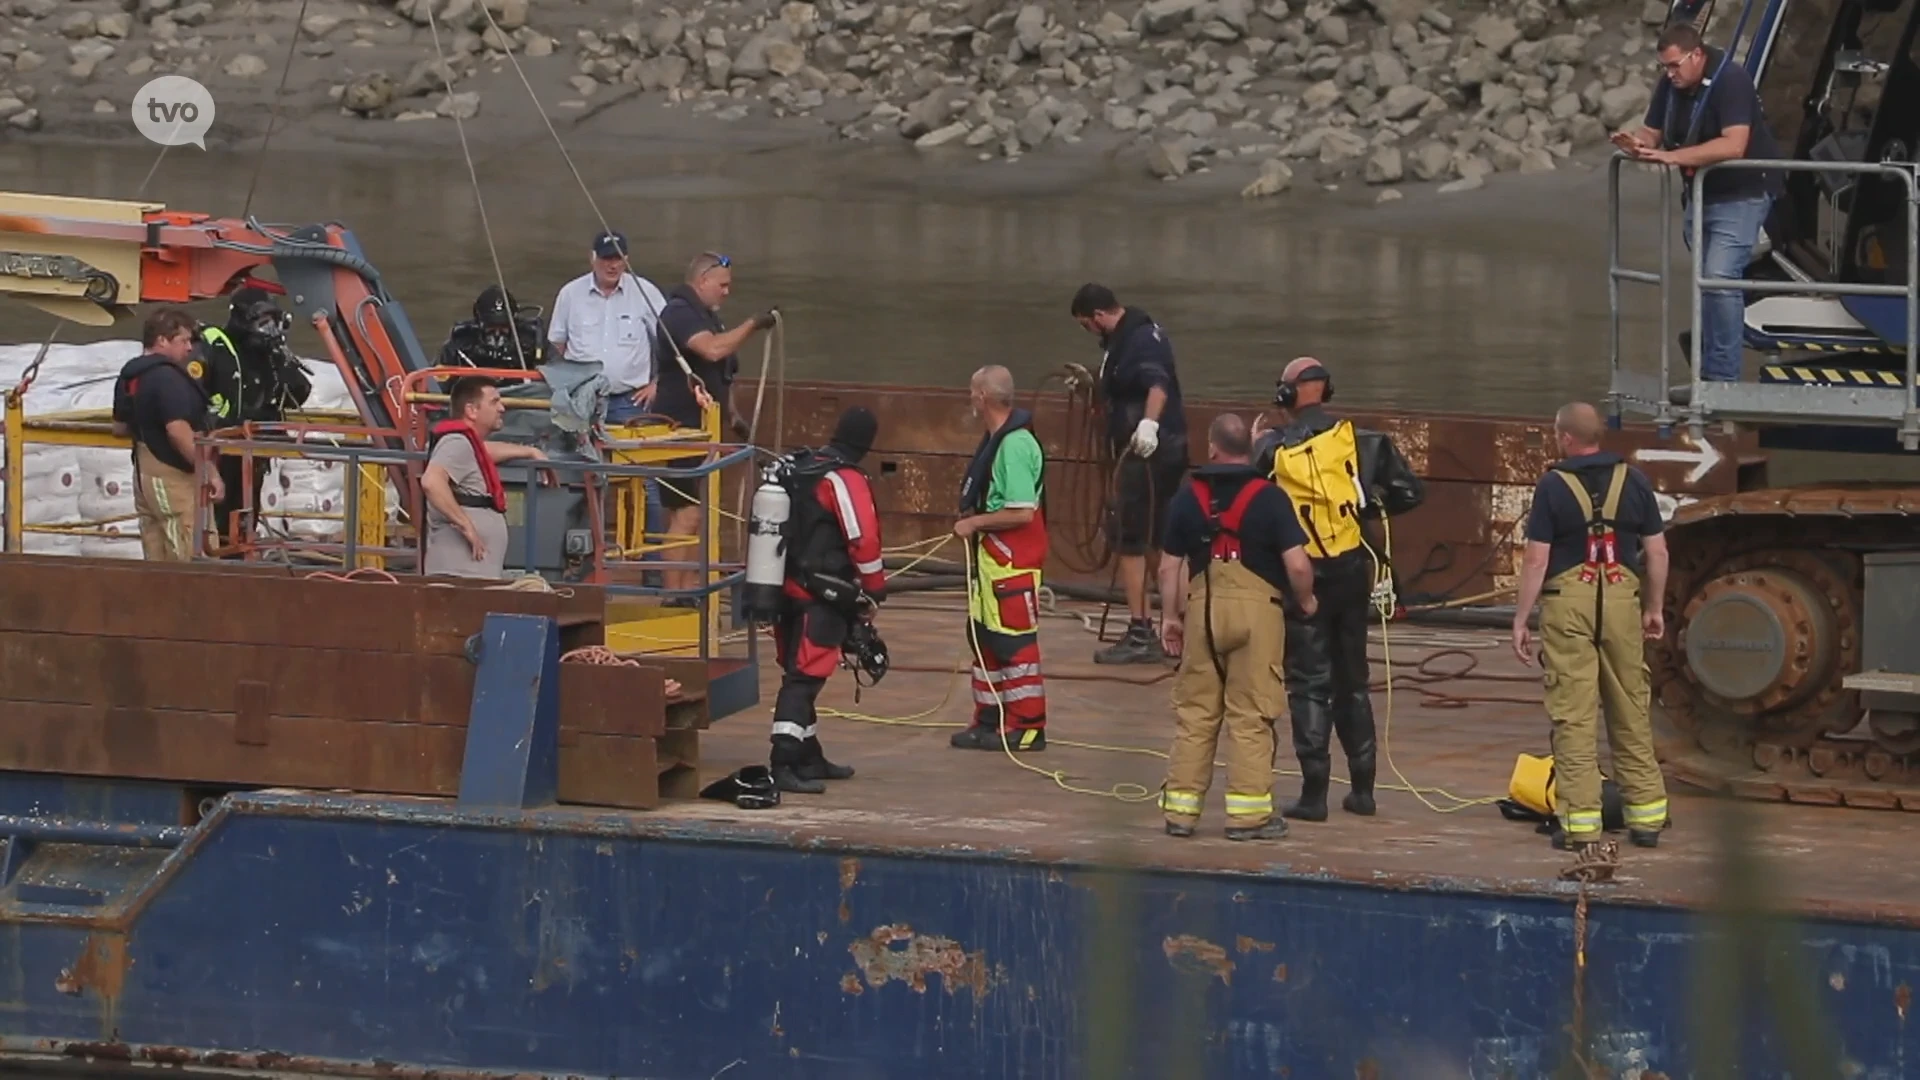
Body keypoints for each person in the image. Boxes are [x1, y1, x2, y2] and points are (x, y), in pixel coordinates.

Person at [1252, 357, 1426, 822]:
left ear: (1287, 396)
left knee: (1309, 682)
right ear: (1327, 393)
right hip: (1351, 569)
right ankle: (1363, 789)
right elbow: (1411, 494)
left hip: (1300, 572)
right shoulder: (1364, 441)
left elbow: (1248, 501)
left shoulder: (1270, 449)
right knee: (1353, 679)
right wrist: (1361, 507)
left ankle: (1314, 795)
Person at [1510, 402, 1672, 852]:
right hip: (1622, 598)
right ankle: (1647, 818)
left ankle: (1581, 825)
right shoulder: (1635, 480)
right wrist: (1654, 607)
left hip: (1569, 603)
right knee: (1630, 708)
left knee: (1574, 714)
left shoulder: (1552, 486)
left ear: (1565, 438)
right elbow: (1656, 553)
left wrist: (1522, 618)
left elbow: (1537, 559)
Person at [1157, 414, 1317, 841]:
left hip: (1202, 613)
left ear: (1211, 448)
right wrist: (1305, 600)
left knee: (1195, 715)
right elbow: (1298, 564)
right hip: (1257, 616)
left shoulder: (1186, 498)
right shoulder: (1270, 498)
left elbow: (1168, 567)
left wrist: (1170, 618)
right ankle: (1247, 818)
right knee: (1251, 715)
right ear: (1250, 449)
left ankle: (1181, 814)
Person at [1615, 22, 1783, 383]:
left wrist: (1676, 157)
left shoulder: (1731, 81)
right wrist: (1637, 144)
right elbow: (1654, 132)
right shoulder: (1670, 85)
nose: (1669, 73)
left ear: (1697, 55)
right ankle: (1711, 360)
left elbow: (1734, 144)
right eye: (1664, 66)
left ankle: (1721, 379)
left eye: (1675, 65)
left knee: (1720, 278)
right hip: (1701, 195)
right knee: (1708, 279)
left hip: (1744, 192)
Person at [1069, 282, 1190, 665]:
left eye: (1087, 325)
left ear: (1099, 316)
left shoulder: (1140, 340)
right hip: (1156, 450)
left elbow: (1157, 384)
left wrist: (1149, 426)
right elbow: (1130, 384)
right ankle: (1183, 622)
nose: (1089, 333)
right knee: (1159, 538)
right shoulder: (1126, 339)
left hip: (1148, 453)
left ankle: (1142, 630)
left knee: (1129, 538)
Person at [768, 406, 888, 794]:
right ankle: (783, 761)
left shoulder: (802, 467)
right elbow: (862, 537)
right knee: (804, 678)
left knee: (800, 673)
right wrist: (874, 587)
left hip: (782, 586)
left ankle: (808, 754)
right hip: (819, 594)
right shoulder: (844, 478)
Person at [651, 251, 779, 599]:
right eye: (722, 285)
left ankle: (691, 589)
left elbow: (721, 374)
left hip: (705, 431)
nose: (726, 292)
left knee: (698, 516)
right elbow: (711, 352)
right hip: (679, 429)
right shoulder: (679, 314)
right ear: (702, 280)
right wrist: (752, 324)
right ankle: (673, 596)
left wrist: (733, 416)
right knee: (685, 514)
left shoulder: (709, 318)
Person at [951, 365, 1049, 752]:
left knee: (1015, 646)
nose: (971, 399)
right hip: (990, 564)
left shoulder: (1015, 445)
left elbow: (1022, 510)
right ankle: (989, 720)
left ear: (983, 398)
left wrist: (975, 522)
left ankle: (1028, 726)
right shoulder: (996, 439)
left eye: (973, 392)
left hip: (1013, 564)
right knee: (984, 639)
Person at [197, 287, 314, 544]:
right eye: (262, 322)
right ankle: (217, 559)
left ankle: (239, 557)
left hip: (253, 449)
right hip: (218, 447)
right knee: (217, 515)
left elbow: (300, 392)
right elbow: (195, 393)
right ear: (242, 319)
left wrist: (281, 359)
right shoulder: (215, 344)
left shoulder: (268, 354)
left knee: (245, 513)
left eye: (272, 322)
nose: (268, 329)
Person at [112, 307, 223, 562]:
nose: (188, 348)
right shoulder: (167, 378)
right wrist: (208, 471)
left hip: (143, 471)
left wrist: (145, 423)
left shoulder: (130, 375)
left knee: (156, 547)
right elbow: (177, 430)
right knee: (190, 545)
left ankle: (159, 600)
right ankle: (194, 601)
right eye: (183, 340)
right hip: (172, 476)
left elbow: (119, 427)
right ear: (162, 340)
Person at [420, 376, 548, 579]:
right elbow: (431, 481)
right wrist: (466, 525)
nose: (502, 408)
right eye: (494, 402)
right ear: (471, 410)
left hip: (467, 577)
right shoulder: (456, 442)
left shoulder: (466, 444)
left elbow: (482, 451)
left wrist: (529, 452)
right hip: (457, 577)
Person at [547, 230, 669, 424]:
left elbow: (669, 341)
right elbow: (557, 345)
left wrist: (657, 384)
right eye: (606, 258)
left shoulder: (646, 292)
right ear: (592, 258)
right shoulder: (570, 294)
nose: (612, 265)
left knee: (630, 453)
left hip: (630, 401)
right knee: (572, 451)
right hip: (579, 398)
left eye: (618, 258)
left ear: (626, 260)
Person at [439, 284, 547, 371]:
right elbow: (437, 381)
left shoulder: (533, 342)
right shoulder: (460, 343)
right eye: (491, 327)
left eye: (503, 326)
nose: (497, 333)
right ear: (479, 323)